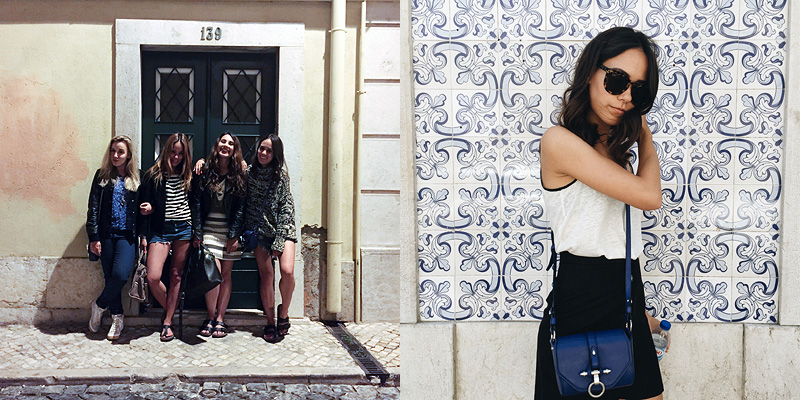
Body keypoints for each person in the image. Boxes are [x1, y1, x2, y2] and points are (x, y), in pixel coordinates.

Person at [535, 27, 666, 399]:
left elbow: (614, 230)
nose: (626, 97)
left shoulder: (614, 149)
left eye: (638, 90)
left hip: (623, 289)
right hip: (581, 294)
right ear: (590, 72)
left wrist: (638, 310)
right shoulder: (559, 142)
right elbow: (649, 196)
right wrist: (646, 138)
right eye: (616, 81)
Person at [229, 134, 296, 343]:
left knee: (287, 271)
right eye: (261, 149)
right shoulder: (249, 174)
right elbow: (242, 206)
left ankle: (283, 312)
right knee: (267, 276)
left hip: (283, 230)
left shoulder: (281, 176)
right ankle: (269, 321)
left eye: (269, 150)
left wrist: (279, 240)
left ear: (275, 154)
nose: (264, 153)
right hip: (259, 232)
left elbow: (286, 207)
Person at [139, 132, 198, 342]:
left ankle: (167, 322)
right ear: (166, 151)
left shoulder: (191, 175)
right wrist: (144, 235)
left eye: (180, 153)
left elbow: (198, 205)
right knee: (153, 277)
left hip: (184, 229)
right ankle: (171, 307)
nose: (176, 157)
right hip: (160, 230)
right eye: (173, 152)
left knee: (176, 275)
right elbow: (144, 207)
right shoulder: (152, 175)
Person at [86, 135, 144, 340]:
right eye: (112, 151)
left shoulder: (137, 178)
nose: (115, 155)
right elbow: (93, 208)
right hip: (106, 235)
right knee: (110, 278)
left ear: (128, 155)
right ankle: (117, 318)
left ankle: (99, 305)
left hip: (127, 236)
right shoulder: (101, 176)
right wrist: (94, 237)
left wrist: (146, 215)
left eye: (120, 151)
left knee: (120, 275)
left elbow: (143, 209)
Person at [191, 132, 247, 338]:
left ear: (234, 149)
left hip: (230, 232)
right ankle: (210, 315)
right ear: (217, 145)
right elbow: (196, 203)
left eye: (231, 143)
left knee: (226, 275)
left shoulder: (240, 173)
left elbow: (241, 207)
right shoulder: (204, 171)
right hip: (209, 232)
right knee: (211, 274)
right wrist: (198, 232)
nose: (226, 145)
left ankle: (220, 319)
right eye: (223, 141)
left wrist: (234, 235)